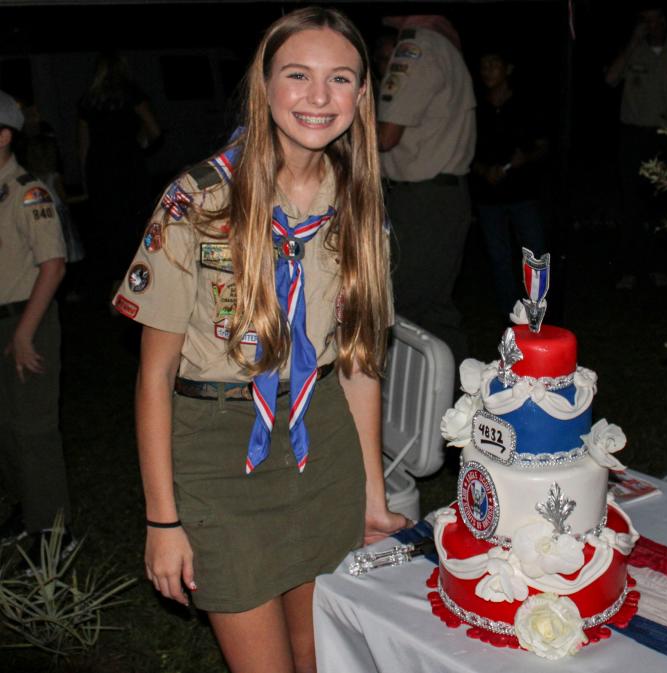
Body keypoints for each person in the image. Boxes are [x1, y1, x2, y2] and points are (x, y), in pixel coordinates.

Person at [110, 10, 407, 672]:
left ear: (361, 96)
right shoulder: (199, 200)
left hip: (322, 445)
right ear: (263, 85)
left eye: (340, 80)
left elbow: (359, 365)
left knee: (320, 655)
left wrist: (371, 492)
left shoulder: (359, 205)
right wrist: (162, 521)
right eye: (297, 76)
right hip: (220, 451)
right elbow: (153, 375)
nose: (318, 97)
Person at [377, 15, 476, 364]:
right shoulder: (440, 43)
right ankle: (449, 404)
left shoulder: (419, 46)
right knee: (424, 309)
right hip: (431, 196)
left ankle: (447, 406)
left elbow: (386, 135)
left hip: (424, 201)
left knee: (414, 308)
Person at [0, 89, 72, 560]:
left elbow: (54, 264)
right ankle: (29, 509)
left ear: (4, 136)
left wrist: (25, 332)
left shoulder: (28, 192)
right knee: (7, 427)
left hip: (26, 318)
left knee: (33, 426)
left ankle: (54, 530)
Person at [605, 7, 667, 289]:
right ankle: (629, 269)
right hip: (634, 135)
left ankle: (658, 266)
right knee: (632, 203)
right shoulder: (633, 51)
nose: (654, 25)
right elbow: (610, 78)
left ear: (666, 20)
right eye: (647, 20)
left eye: (658, 18)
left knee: (661, 204)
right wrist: (633, 41)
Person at [471, 47, 548, 317]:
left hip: (523, 194)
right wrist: (484, 170)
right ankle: (511, 314)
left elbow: (542, 146)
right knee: (499, 258)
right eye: (484, 65)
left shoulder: (525, 105)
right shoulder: (475, 108)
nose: (488, 70)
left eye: (494, 63)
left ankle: (538, 310)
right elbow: (467, 151)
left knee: (535, 255)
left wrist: (523, 158)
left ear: (508, 69)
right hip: (488, 197)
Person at [78, 51, 161, 288]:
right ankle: (140, 283)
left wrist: (86, 179)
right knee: (135, 224)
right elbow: (154, 131)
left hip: (101, 170)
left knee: (108, 226)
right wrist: (141, 143)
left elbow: (83, 146)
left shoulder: (88, 101)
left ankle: (117, 285)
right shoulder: (131, 95)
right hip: (128, 167)